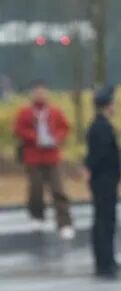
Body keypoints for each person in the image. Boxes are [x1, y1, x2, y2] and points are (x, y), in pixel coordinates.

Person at [13, 80, 74, 239]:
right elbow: (19, 129)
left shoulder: (54, 112)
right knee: (36, 189)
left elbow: (65, 128)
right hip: (33, 156)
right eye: (37, 92)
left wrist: (56, 138)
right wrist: (35, 138)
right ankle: (37, 216)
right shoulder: (25, 112)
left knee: (58, 189)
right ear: (32, 94)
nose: (40, 95)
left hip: (52, 156)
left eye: (43, 92)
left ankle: (64, 223)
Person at [85, 86, 121, 277]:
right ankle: (104, 262)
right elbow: (99, 155)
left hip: (106, 179)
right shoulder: (101, 127)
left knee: (108, 221)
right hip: (103, 180)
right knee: (104, 221)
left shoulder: (101, 125)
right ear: (107, 106)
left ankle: (109, 258)